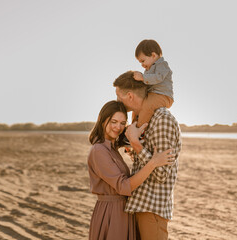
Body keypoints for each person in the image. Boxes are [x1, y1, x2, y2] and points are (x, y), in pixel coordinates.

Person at [87, 100, 176, 240]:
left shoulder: (112, 148)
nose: (118, 127)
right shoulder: (99, 150)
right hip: (111, 213)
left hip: (123, 211)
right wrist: (152, 163)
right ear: (101, 120)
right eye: (113, 121)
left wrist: (135, 137)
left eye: (122, 123)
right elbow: (123, 186)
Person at [114, 71, 182, 240]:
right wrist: (135, 150)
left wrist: (136, 144)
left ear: (129, 96)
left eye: (118, 96)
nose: (117, 101)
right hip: (142, 205)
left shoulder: (162, 119)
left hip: (152, 208)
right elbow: (149, 162)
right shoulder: (144, 120)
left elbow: (161, 174)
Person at [132, 39, 174, 128]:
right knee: (137, 106)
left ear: (153, 55)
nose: (142, 65)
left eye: (143, 61)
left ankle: (140, 131)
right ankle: (132, 126)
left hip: (163, 95)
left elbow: (158, 77)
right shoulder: (148, 69)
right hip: (152, 95)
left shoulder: (162, 65)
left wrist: (142, 77)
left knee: (148, 107)